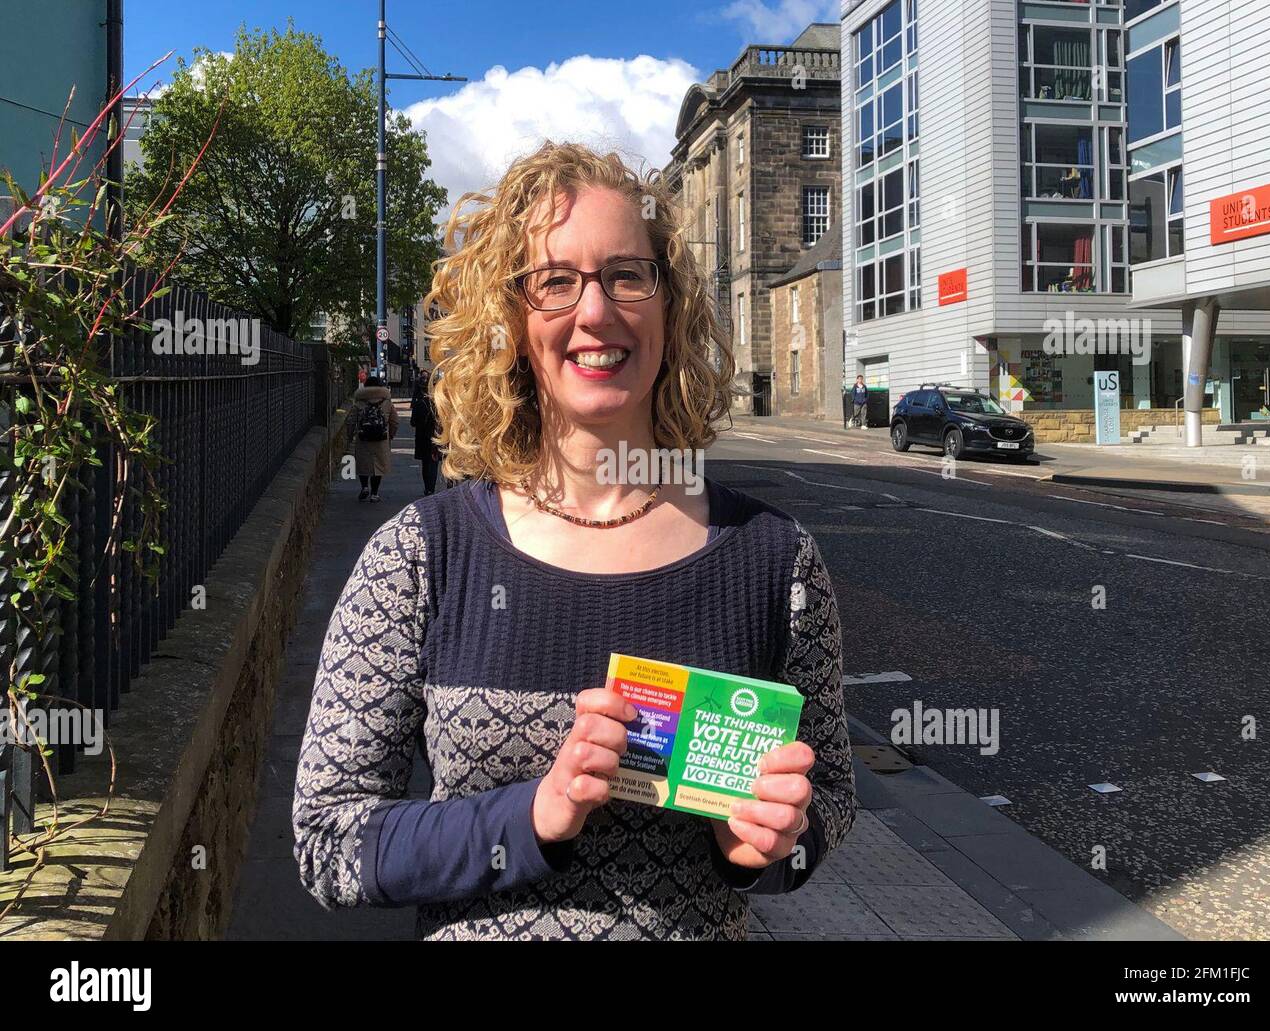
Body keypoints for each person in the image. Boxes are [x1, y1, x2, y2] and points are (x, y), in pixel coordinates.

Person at [293, 140, 855, 940]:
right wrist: (532, 816)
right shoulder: (420, 557)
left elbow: (830, 794)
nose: (596, 310)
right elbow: (327, 841)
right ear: (515, 324)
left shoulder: (773, 559)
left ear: (671, 305)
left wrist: (763, 849)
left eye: (628, 274)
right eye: (556, 282)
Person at [345, 374, 399, 502]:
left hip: (363, 437)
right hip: (381, 439)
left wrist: (350, 436)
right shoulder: (387, 401)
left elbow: (351, 421)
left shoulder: (359, 401)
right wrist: (391, 434)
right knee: (378, 466)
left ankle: (364, 487)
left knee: (363, 464)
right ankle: (375, 493)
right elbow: (394, 421)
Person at [410, 371, 441, 496]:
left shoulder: (419, 403)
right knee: (433, 462)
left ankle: (427, 487)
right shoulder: (438, 403)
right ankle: (431, 488)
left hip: (422, 435)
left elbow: (413, 422)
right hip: (435, 435)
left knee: (425, 462)